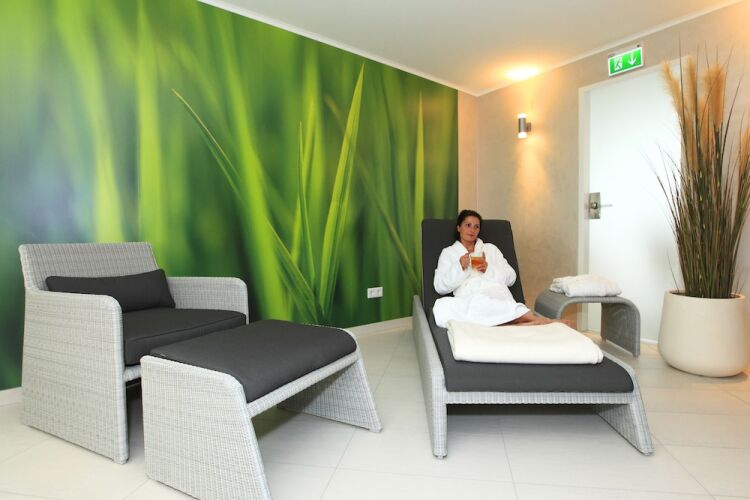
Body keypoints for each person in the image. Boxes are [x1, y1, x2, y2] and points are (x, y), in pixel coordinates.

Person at [432, 210, 564, 328]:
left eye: (476, 226)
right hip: (470, 297)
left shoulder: (490, 249)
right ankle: (521, 321)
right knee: (442, 306)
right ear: (459, 228)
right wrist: (460, 267)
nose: (472, 230)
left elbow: (511, 277)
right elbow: (440, 286)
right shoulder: (448, 253)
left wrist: (488, 269)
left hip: (495, 292)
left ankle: (532, 319)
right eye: (468, 225)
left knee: (488, 304)